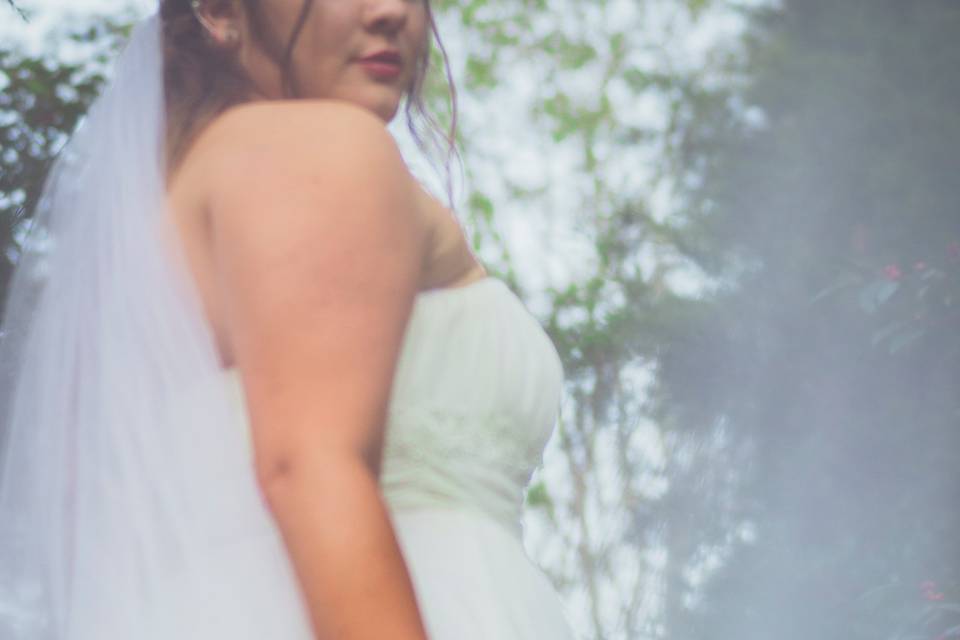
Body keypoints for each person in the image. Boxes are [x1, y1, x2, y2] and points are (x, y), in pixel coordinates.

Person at [0, 1, 575, 639]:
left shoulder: (200, 180)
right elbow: (307, 465)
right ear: (220, 12)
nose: (391, 11)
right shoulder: (321, 146)